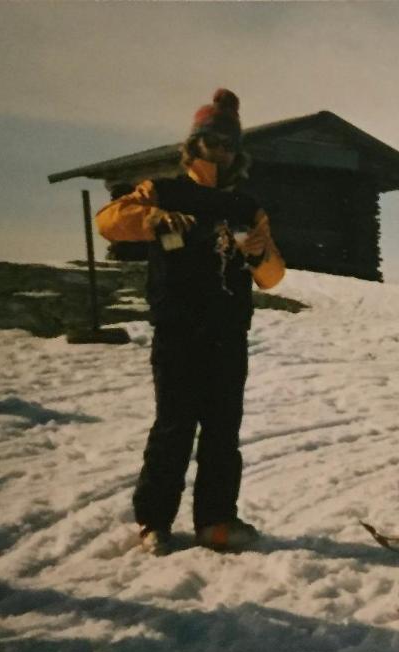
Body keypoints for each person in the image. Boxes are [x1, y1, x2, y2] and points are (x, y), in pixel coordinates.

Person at [96, 89, 285, 556]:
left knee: (223, 428)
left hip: (228, 332)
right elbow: (108, 221)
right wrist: (155, 219)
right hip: (178, 327)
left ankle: (215, 522)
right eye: (212, 138)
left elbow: (273, 276)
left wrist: (257, 254)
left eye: (228, 141)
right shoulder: (164, 191)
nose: (220, 148)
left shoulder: (246, 206)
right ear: (194, 143)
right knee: (174, 425)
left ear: (236, 150)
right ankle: (154, 522)